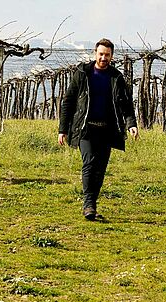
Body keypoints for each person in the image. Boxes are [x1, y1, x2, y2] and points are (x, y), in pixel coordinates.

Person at [58, 38, 138, 221]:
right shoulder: (83, 73)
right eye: (101, 54)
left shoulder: (116, 77)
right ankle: (88, 204)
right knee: (89, 163)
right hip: (85, 128)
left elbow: (126, 104)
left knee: (100, 168)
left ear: (111, 56)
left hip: (107, 130)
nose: (103, 58)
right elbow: (68, 101)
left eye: (107, 55)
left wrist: (131, 124)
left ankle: (92, 204)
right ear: (95, 54)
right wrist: (63, 129)